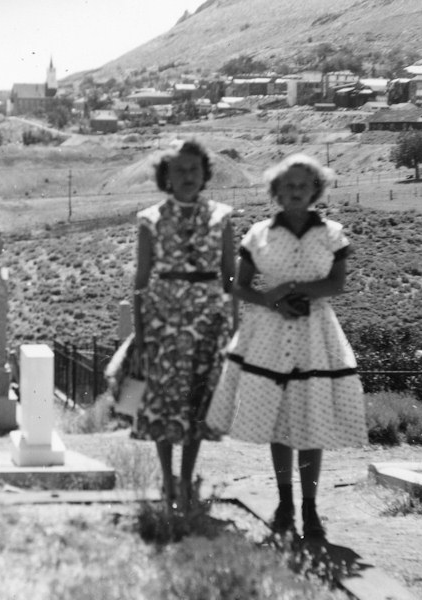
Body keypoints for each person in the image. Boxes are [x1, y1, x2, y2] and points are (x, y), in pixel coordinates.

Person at [206, 153, 366, 539]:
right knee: (280, 422)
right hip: (268, 337)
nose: (295, 192)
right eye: (287, 186)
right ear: (275, 191)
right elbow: (237, 285)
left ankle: (311, 509)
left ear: (316, 189)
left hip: (315, 335)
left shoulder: (332, 234)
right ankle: (284, 501)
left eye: (303, 185)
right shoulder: (258, 234)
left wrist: (294, 289)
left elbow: (336, 284)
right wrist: (271, 298)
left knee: (312, 422)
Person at [132, 139, 235, 510]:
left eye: (194, 169)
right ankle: (167, 479)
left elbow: (230, 278)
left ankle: (188, 478)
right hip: (164, 322)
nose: (187, 176)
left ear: (205, 173)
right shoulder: (151, 220)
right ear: (167, 177)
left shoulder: (222, 217)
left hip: (208, 324)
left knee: (197, 403)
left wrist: (234, 330)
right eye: (179, 170)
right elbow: (141, 282)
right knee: (163, 401)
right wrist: (140, 336)